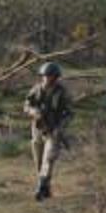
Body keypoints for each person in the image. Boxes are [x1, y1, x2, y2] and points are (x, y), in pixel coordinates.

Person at [23, 61, 72, 201]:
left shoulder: (62, 92)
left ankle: (40, 188)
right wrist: (33, 112)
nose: (48, 78)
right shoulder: (36, 90)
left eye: (52, 75)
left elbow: (69, 113)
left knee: (48, 160)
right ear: (42, 76)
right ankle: (46, 187)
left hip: (53, 130)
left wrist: (60, 128)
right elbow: (26, 105)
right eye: (46, 75)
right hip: (37, 129)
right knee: (39, 162)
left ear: (57, 77)